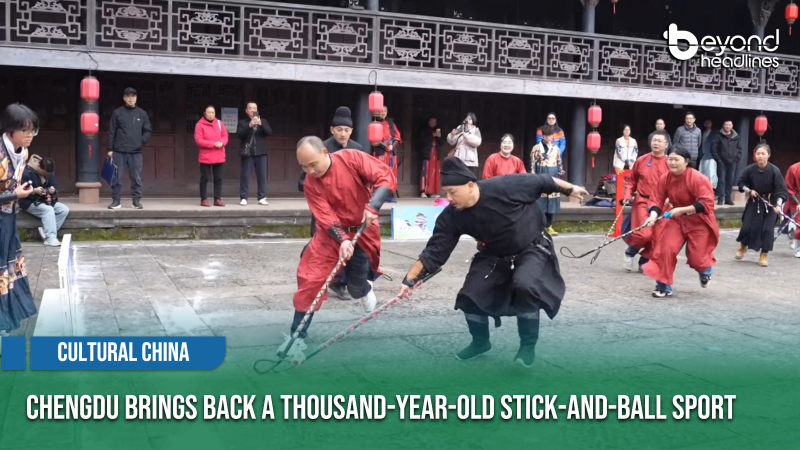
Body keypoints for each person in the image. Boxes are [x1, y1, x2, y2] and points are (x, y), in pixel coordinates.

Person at [398, 157, 588, 367]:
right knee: (470, 294)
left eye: (453, 192)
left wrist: (571, 189)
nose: (449, 198)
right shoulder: (452, 216)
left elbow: (544, 181)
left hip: (532, 246)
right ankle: (480, 342)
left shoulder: (506, 186)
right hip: (493, 254)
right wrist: (410, 279)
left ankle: (527, 347)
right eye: (446, 193)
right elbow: (435, 251)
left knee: (525, 285)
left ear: (470, 186)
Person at [280, 136, 396, 355]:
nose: (310, 171)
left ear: (325, 152)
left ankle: (364, 289)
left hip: (363, 228)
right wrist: (342, 239)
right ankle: (296, 336)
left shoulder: (351, 158)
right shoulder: (310, 184)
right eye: (304, 167)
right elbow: (325, 215)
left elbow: (385, 176)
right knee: (311, 280)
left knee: (355, 289)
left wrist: (373, 206)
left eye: (313, 164)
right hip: (329, 235)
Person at [642, 147, 719, 298]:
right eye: (670, 159)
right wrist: (652, 215)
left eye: (676, 159)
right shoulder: (665, 178)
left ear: (686, 162)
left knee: (697, 259)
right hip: (676, 220)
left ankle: (705, 271)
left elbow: (707, 203)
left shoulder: (697, 178)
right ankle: (663, 285)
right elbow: (657, 199)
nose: (672, 163)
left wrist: (682, 210)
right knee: (665, 249)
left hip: (699, 221)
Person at [0, 103, 37, 339]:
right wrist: (16, 194)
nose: (29, 135)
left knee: (9, 268)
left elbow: (12, 185)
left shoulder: (22, 153)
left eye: (33, 130)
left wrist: (21, 189)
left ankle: (8, 319)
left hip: (8, 220)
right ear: (10, 130)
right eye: (25, 130)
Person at [621, 131, 670, 273]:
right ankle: (630, 252)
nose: (656, 143)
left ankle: (644, 260)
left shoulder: (670, 163)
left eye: (660, 141)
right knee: (644, 233)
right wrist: (628, 194)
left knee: (658, 237)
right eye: (654, 140)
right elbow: (631, 181)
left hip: (663, 204)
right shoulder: (641, 160)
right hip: (643, 200)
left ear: (666, 144)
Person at [734, 143, 787, 267]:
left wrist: (778, 205)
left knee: (768, 230)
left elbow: (782, 191)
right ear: (755, 155)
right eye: (758, 154)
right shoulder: (750, 169)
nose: (761, 156)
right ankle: (743, 246)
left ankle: (764, 254)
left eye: (763, 154)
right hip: (755, 201)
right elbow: (741, 183)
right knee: (747, 226)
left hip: (771, 204)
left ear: (768, 155)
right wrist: (749, 190)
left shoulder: (775, 171)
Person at [107, 87, 152, 210]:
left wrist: (140, 142)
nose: (131, 99)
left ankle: (136, 201)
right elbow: (111, 131)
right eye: (128, 96)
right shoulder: (117, 112)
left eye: (133, 96)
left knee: (136, 177)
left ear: (136, 98)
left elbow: (148, 131)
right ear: (124, 98)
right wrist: (110, 149)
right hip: (119, 150)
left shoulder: (142, 114)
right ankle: (116, 201)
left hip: (136, 151)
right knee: (116, 177)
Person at [19, 155, 69, 247]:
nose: (46, 175)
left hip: (45, 200)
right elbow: (21, 191)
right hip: (29, 201)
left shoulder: (49, 173)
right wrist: (34, 191)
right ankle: (50, 238)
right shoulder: (26, 173)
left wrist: (53, 191)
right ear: (38, 166)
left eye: (48, 174)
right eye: (44, 173)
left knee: (64, 209)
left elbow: (55, 187)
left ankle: (45, 232)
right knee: (48, 210)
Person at [236, 102, 272, 206]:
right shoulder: (243, 122)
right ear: (246, 110)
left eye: (254, 108)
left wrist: (261, 124)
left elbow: (269, 132)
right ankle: (243, 197)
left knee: (262, 176)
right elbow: (239, 135)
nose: (252, 110)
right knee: (245, 176)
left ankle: (262, 197)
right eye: (250, 108)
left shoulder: (263, 121)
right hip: (248, 153)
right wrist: (249, 125)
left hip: (261, 153)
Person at [530, 125, 563, 236]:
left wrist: (560, 171)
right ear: (543, 136)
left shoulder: (556, 148)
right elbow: (532, 164)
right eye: (547, 135)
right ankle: (540, 226)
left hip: (553, 174)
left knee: (552, 202)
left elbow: (559, 163)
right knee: (541, 202)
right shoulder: (536, 148)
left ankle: (550, 226)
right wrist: (533, 177)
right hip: (541, 173)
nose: (549, 137)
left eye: (551, 135)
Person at [194, 105, 228, 207]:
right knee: (205, 178)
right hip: (206, 156)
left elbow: (225, 136)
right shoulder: (199, 125)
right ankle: (204, 199)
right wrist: (213, 144)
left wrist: (222, 143)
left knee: (218, 178)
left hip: (219, 155)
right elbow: (199, 140)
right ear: (204, 113)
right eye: (209, 112)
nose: (211, 114)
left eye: (213, 112)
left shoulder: (219, 123)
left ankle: (217, 199)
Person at [711, 120, 742, 206]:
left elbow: (739, 149)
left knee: (730, 180)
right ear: (723, 126)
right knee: (721, 180)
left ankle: (728, 199)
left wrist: (737, 158)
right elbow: (713, 148)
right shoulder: (718, 136)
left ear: (732, 126)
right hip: (722, 162)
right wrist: (718, 160)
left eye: (729, 125)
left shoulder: (736, 136)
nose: (728, 126)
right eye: (726, 125)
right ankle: (721, 198)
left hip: (732, 162)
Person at [371, 105, 403, 181]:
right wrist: (385, 147)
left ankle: (390, 191)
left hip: (391, 152)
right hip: (380, 151)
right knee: (380, 172)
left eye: (385, 111)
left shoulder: (391, 123)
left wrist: (392, 145)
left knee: (391, 172)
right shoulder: (374, 123)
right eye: (381, 111)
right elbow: (374, 139)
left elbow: (397, 136)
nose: (383, 113)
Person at [416, 116, 445, 198]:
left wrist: (438, 137)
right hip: (427, 154)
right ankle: (423, 191)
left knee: (435, 173)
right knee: (425, 172)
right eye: (431, 121)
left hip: (436, 155)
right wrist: (431, 135)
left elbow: (441, 143)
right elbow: (421, 141)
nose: (433, 123)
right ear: (428, 122)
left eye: (434, 122)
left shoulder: (438, 130)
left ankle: (434, 192)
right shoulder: (424, 130)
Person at [447, 112, 482, 179]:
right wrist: (452, 135)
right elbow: (451, 142)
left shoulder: (475, 130)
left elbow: (477, 142)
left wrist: (466, 135)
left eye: (470, 119)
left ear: (473, 121)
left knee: (469, 181)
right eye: (467, 118)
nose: (467, 120)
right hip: (458, 159)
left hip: (470, 161)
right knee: (457, 180)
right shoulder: (460, 129)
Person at [784, 161, 800, 256]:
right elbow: (788, 187)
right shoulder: (794, 168)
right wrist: (798, 202)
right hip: (795, 200)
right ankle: (799, 248)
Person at [698, 119, 718, 192]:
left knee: (711, 173)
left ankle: (712, 190)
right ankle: (703, 190)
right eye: (706, 123)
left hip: (711, 155)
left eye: (709, 123)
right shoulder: (702, 132)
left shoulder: (715, 132)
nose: (707, 124)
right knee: (702, 173)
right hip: (702, 155)